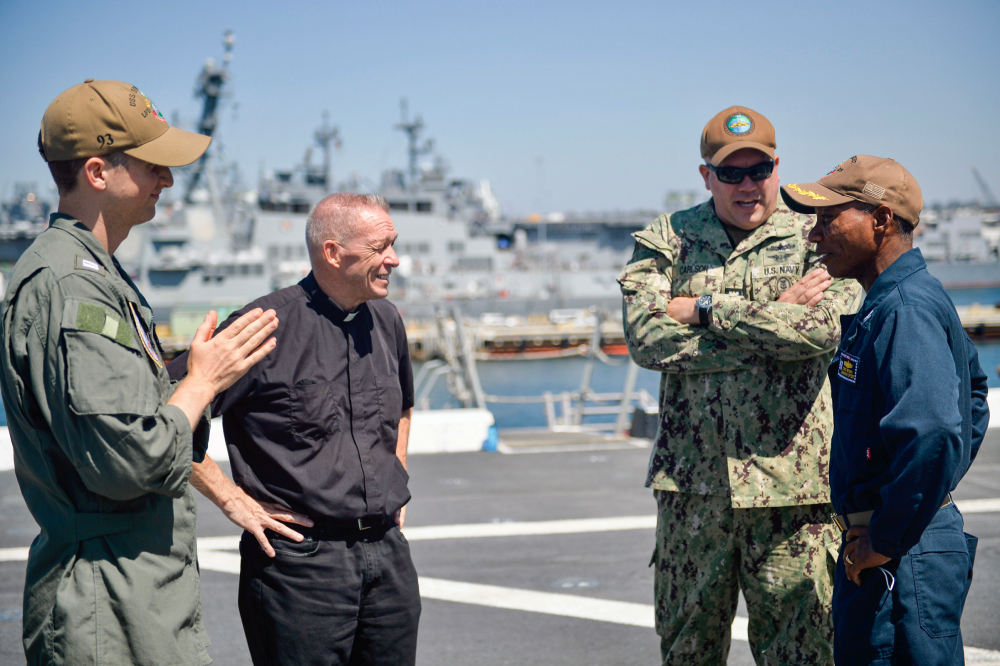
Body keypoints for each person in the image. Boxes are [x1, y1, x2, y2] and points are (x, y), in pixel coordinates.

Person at [0, 79, 278, 665]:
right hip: (108, 609)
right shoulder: (72, 285)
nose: (168, 179)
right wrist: (203, 381)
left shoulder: (94, 273)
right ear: (97, 172)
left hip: (130, 596)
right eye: (153, 164)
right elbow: (129, 462)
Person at [619, 106, 863, 665]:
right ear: (707, 175)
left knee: (803, 655)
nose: (748, 185)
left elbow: (822, 332)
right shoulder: (669, 238)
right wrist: (776, 317)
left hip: (794, 495)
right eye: (731, 173)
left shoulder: (816, 235)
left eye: (759, 170)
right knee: (688, 653)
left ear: (778, 166)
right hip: (694, 491)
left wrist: (707, 309)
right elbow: (646, 340)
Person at [167, 193, 419, 666]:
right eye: (380, 247)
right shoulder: (262, 327)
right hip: (301, 567)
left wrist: (396, 472)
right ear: (332, 253)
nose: (394, 259)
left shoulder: (387, 321)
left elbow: (403, 405)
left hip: (388, 557)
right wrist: (231, 499)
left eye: (394, 244)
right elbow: (167, 411)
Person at [781, 155, 990, 665]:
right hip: (897, 544)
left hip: (899, 556)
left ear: (881, 220)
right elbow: (973, 398)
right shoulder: (894, 300)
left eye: (829, 219)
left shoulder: (905, 308)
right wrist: (918, 501)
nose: (814, 234)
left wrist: (889, 531)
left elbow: (935, 431)